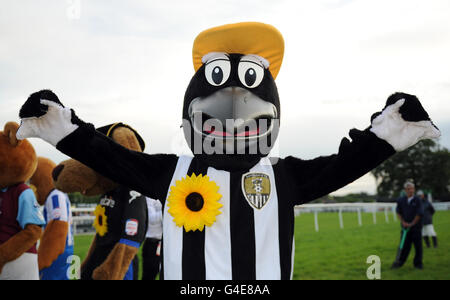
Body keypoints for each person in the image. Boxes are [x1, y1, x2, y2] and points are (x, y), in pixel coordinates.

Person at [392, 182, 424, 269]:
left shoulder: (418, 200)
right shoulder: (401, 200)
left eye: (412, 188)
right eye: (408, 189)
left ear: (414, 189)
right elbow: (398, 212)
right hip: (405, 228)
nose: (411, 190)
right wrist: (403, 222)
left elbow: (419, 213)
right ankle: (399, 262)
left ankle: (418, 264)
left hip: (416, 228)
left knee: (418, 246)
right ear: (405, 190)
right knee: (404, 246)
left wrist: (412, 223)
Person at [142, 197, 162, 280]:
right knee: (149, 275)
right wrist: (166, 209)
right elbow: (152, 219)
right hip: (152, 244)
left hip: (164, 244)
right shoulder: (148, 198)